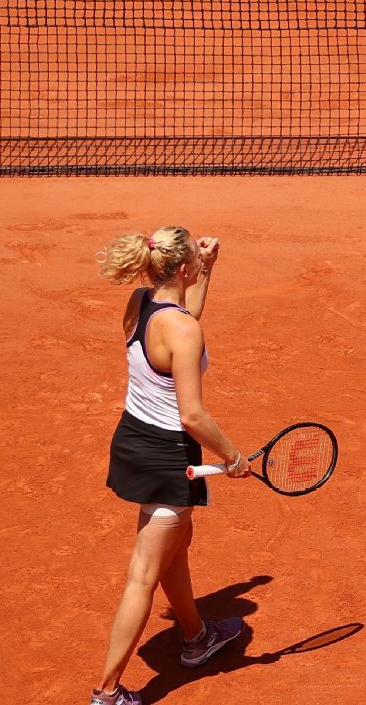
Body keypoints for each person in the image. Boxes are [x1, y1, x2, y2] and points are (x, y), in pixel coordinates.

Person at [90, 227, 250, 704]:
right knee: (143, 574)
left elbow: (183, 317)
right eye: (196, 261)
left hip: (133, 441)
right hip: (169, 456)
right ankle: (106, 693)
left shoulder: (141, 303)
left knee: (176, 548)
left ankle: (198, 636)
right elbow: (192, 416)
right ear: (183, 269)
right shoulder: (182, 330)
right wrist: (233, 457)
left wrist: (208, 270)